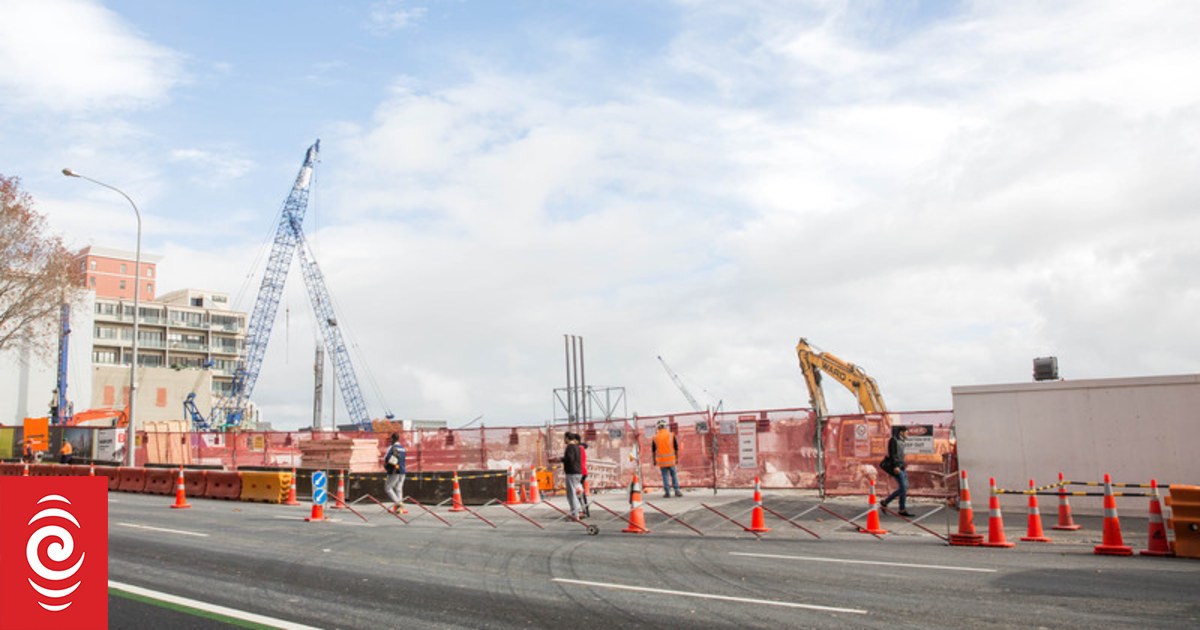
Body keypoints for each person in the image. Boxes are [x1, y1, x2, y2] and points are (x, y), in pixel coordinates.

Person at [880, 425, 912, 516]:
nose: (907, 434)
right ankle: (886, 502)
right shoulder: (894, 440)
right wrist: (896, 466)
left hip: (902, 467)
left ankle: (902, 509)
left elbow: (900, 455)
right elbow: (893, 454)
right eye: (906, 432)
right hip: (897, 467)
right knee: (903, 488)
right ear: (901, 432)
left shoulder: (901, 441)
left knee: (904, 488)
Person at [651, 420, 682, 498]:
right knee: (674, 475)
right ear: (665, 426)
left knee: (665, 476)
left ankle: (667, 492)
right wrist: (676, 458)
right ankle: (677, 490)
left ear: (658, 427)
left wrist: (654, 460)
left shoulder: (655, 437)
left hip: (662, 462)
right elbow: (676, 448)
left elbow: (653, 450)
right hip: (671, 460)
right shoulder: (671, 435)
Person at [383, 433, 407, 514]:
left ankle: (398, 503)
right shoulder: (403, 448)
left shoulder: (392, 447)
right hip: (403, 471)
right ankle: (399, 509)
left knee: (388, 488)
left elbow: (386, 458)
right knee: (398, 489)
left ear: (393, 439)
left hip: (394, 471)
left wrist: (387, 466)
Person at [561, 432, 584, 519]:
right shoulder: (577, 447)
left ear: (567, 438)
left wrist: (561, 459)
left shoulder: (570, 447)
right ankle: (580, 510)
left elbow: (570, 459)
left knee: (572, 494)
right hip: (578, 472)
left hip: (571, 472)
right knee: (577, 492)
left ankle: (575, 514)